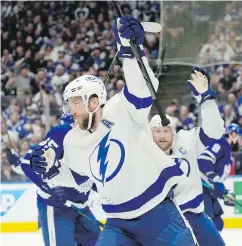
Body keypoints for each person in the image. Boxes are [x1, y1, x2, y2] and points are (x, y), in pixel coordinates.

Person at [31, 16, 196, 245]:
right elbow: (77, 178)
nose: (72, 109)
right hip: (118, 223)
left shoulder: (120, 109)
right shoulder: (72, 141)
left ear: (93, 101)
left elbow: (143, 89)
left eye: (76, 102)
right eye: (70, 103)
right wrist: (49, 168)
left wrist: (130, 50)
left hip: (159, 215)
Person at [149, 67, 225, 246]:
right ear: (150, 134)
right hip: (162, 222)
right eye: (157, 131)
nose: (162, 135)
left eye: (166, 130)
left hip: (195, 216)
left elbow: (215, 131)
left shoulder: (186, 141)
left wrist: (206, 99)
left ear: (174, 132)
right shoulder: (143, 152)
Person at [20, 114, 100, 246]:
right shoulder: (62, 133)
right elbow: (27, 162)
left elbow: (90, 175)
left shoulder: (99, 136)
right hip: (58, 207)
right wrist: (49, 189)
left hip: (82, 208)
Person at [197, 123, 242, 231]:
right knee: (208, 225)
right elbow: (204, 161)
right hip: (201, 190)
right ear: (232, 134)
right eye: (240, 138)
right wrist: (216, 181)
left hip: (209, 191)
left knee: (217, 223)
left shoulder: (227, 152)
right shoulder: (220, 144)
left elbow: (215, 182)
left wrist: (224, 193)